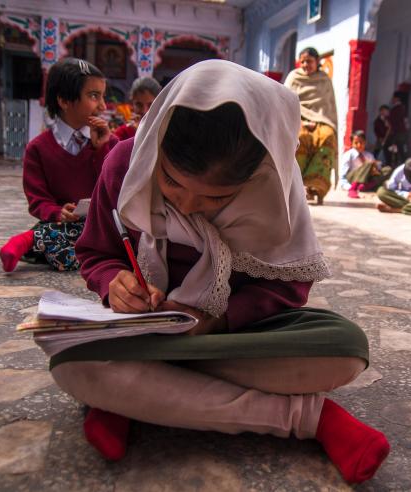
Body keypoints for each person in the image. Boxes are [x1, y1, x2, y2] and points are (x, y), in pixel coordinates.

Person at [56, 60, 389, 484]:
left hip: (233, 335)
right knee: (70, 362)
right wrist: (113, 283)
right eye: (173, 183)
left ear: (255, 176)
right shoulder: (127, 163)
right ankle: (307, 418)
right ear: (157, 147)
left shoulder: (275, 188)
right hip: (140, 329)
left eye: (217, 197)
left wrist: (220, 318)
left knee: (343, 349)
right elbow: (96, 253)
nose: (189, 206)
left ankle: (133, 397)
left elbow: (290, 284)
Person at [0, 58, 118, 272]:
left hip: (102, 223)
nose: (102, 106)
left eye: (102, 96)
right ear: (64, 100)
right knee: (64, 250)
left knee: (108, 240)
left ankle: (29, 241)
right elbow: (37, 200)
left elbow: (113, 188)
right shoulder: (38, 149)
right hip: (62, 225)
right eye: (93, 96)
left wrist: (101, 150)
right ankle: (41, 241)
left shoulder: (111, 142)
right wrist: (57, 212)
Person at [284, 47, 338, 205]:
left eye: (309, 61)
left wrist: (317, 121)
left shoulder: (324, 80)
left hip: (322, 120)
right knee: (300, 137)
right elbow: (285, 102)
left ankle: (315, 186)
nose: (306, 64)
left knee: (328, 136)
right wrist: (302, 120)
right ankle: (296, 186)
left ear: (317, 62)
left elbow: (329, 107)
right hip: (297, 119)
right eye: (303, 61)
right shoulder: (293, 77)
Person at [340, 130, 392, 198]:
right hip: (353, 179)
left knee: (387, 169)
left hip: (366, 179)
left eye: (361, 143)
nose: (359, 145)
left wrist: (376, 168)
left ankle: (365, 186)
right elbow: (343, 176)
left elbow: (377, 169)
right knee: (368, 164)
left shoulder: (369, 155)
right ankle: (354, 188)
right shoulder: (348, 155)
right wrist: (349, 187)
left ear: (365, 143)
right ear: (352, 144)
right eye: (356, 143)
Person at [113, 76, 162, 141]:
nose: (145, 111)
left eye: (151, 105)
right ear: (132, 104)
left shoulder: (165, 130)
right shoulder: (124, 132)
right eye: (139, 105)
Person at [387, 91, 409, 166]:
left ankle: (399, 165)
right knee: (400, 150)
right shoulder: (402, 108)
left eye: (393, 98)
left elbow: (393, 120)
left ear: (397, 98)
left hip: (398, 133)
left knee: (398, 150)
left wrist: (387, 117)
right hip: (401, 132)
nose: (392, 99)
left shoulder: (396, 109)